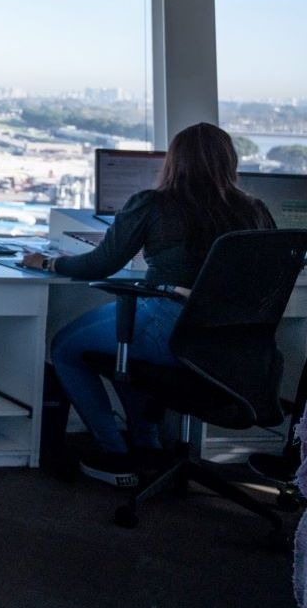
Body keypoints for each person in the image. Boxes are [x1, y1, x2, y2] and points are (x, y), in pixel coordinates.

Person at [24, 122, 275, 487]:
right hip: (229, 347)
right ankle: (147, 445)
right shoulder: (255, 211)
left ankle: (114, 452)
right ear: (230, 161)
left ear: (173, 162)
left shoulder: (154, 204)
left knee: (65, 347)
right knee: (126, 353)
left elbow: (100, 265)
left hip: (170, 328)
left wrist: (48, 263)